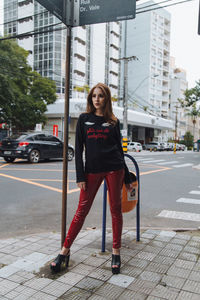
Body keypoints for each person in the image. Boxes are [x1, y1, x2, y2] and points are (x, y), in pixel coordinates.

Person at [50, 83, 133, 274]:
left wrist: (127, 177)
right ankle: (64, 251)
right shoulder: (84, 119)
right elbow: (78, 150)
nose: (97, 99)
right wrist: (80, 175)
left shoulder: (113, 121)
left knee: (115, 210)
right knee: (81, 211)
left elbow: (119, 150)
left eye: (101, 96)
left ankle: (116, 252)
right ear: (91, 98)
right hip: (92, 171)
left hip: (114, 169)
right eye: (94, 96)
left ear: (106, 99)